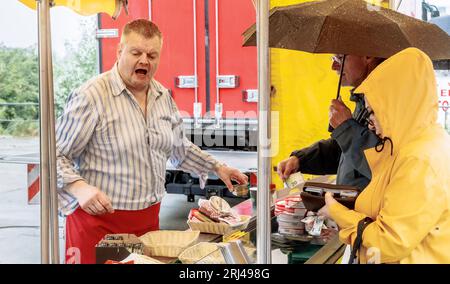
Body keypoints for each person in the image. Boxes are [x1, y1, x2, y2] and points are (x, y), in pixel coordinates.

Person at [56, 19, 248, 264]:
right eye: (136, 53)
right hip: (98, 227)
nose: (144, 60)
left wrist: (217, 167)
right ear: (119, 51)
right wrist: (79, 188)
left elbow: (179, 149)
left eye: (152, 55)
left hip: (148, 227)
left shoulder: (163, 97)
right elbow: (55, 155)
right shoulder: (91, 95)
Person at [319, 48, 450, 263]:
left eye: (372, 112)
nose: (370, 124)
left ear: (395, 105)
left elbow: (389, 242)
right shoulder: (416, 145)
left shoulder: (418, 159)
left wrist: (337, 212)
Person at [277, 54, 385, 190]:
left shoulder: (390, 100)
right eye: (333, 59)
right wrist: (301, 159)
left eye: (340, 58)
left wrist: (346, 127)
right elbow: (344, 152)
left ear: (368, 55)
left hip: (376, 208)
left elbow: (385, 166)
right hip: (354, 206)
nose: (334, 66)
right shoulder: (365, 98)